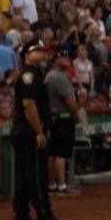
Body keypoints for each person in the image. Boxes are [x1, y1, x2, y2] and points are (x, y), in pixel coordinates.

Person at [9, 40, 65, 220]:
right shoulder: (29, 76)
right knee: (37, 175)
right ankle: (44, 215)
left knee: (24, 176)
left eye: (43, 51)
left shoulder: (32, 75)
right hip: (30, 130)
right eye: (38, 51)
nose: (43, 55)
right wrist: (39, 133)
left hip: (23, 129)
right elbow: (28, 105)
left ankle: (22, 216)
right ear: (27, 55)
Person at [43, 51, 82, 196]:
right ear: (55, 60)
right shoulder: (59, 76)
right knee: (60, 153)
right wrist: (77, 117)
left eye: (67, 56)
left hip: (53, 117)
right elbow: (70, 102)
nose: (67, 59)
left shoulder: (50, 75)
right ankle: (61, 185)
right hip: (63, 117)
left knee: (52, 153)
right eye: (62, 57)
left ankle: (52, 184)